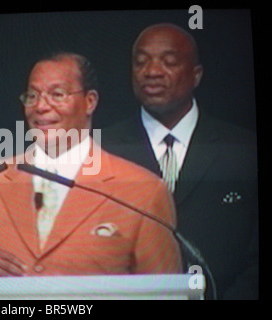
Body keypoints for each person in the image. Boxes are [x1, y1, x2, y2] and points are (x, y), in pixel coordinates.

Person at [0, 52, 182, 278]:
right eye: (32, 96)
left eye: (57, 95)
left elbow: (165, 293)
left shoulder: (143, 192)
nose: (41, 107)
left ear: (90, 101)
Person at [102, 23, 258, 299]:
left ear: (196, 75)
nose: (151, 72)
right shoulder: (102, 151)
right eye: (141, 62)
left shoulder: (243, 150)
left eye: (169, 62)